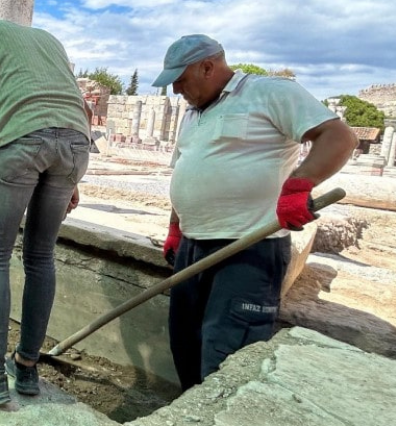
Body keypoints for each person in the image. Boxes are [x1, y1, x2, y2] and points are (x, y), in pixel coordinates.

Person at [152, 34, 356, 390]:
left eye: (180, 80)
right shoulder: (191, 114)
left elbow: (339, 137)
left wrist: (299, 185)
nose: (176, 90)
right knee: (185, 344)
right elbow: (185, 170)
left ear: (207, 66)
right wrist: (175, 228)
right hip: (193, 246)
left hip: (247, 248)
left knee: (227, 352)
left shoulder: (271, 92)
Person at [0, 13, 93, 406]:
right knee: (41, 255)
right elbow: (79, 109)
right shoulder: (47, 39)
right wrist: (69, 176)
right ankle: (27, 366)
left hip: (21, 143)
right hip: (76, 146)